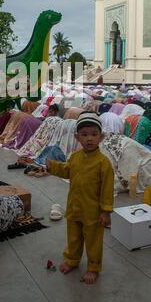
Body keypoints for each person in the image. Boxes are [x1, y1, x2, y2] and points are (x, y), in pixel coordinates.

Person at [46, 112, 114, 284]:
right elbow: (67, 171)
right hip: (74, 208)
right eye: (84, 135)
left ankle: (93, 267)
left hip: (93, 213)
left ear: (101, 137)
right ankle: (72, 259)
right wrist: (52, 167)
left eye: (93, 134)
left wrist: (106, 212)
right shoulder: (75, 157)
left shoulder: (103, 163)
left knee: (93, 242)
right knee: (74, 238)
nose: (89, 138)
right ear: (77, 137)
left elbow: (107, 189)